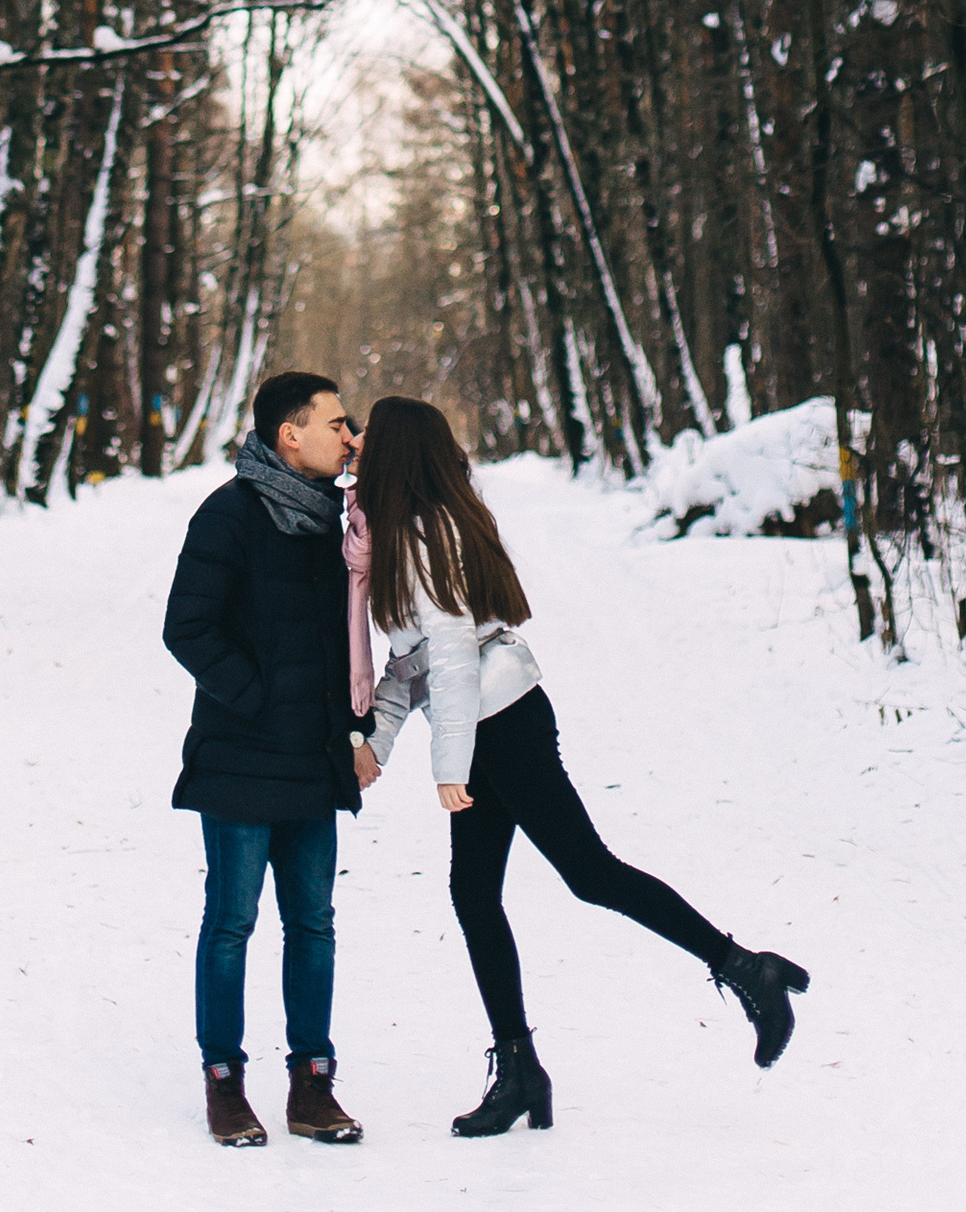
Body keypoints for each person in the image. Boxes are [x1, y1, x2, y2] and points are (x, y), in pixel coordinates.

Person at [356, 394, 809, 1137]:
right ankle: (520, 1070)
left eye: (370, 432)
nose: (360, 440)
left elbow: (449, 655)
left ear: (397, 450)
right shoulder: (412, 530)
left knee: (589, 873)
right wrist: (378, 742)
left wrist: (450, 761)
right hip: (488, 721)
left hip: (500, 724)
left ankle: (744, 968)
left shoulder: (427, 530)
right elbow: (411, 667)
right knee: (473, 894)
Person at [161, 368, 368, 1149]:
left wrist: (348, 731)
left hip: (314, 761)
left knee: (313, 923)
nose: (350, 436)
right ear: (291, 433)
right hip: (242, 757)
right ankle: (225, 1083)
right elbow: (189, 629)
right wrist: (258, 701)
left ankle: (313, 1086)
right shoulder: (229, 516)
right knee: (233, 922)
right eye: (337, 423)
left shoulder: (336, 521)